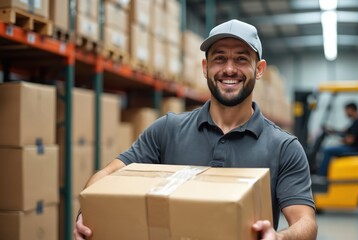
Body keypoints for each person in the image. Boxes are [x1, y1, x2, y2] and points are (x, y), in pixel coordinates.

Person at [75, 19, 317, 240]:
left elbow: (306, 223)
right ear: (205, 67)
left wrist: (280, 238)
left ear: (259, 68)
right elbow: (106, 176)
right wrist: (87, 213)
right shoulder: (168, 130)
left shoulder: (283, 147)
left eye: (241, 59)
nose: (229, 69)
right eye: (219, 58)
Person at [318, 102, 358, 176]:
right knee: (329, 148)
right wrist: (332, 131)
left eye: (346, 110)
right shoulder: (355, 121)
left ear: (351, 109)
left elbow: (350, 140)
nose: (345, 113)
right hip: (353, 147)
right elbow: (345, 131)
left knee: (327, 150)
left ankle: (321, 177)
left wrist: (340, 140)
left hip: (354, 149)